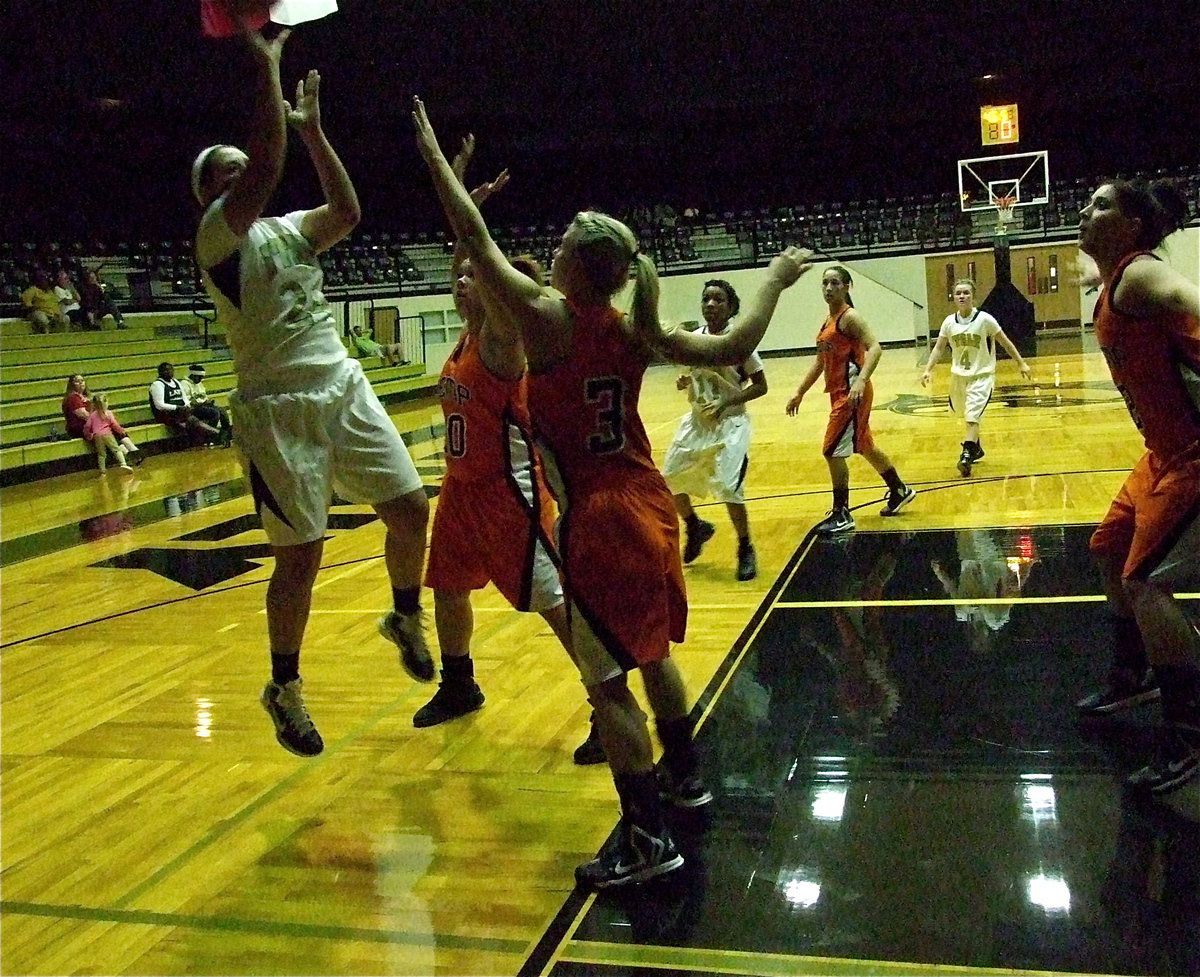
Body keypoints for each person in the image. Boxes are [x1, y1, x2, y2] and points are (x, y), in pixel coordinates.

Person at [414, 96, 812, 888]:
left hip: (598, 519)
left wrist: (432, 158)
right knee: (655, 650)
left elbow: (474, 237)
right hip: (649, 500)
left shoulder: (547, 320)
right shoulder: (634, 327)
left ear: (572, 265)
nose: (551, 241)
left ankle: (643, 837)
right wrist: (773, 277)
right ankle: (687, 772)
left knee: (606, 690)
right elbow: (737, 341)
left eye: (562, 238)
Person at [192, 25, 431, 758]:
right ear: (207, 194)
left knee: (412, 511)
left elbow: (349, 212)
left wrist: (317, 134)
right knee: (302, 557)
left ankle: (402, 614)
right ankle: (285, 685)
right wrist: (267, 66)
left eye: (242, 170)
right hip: (276, 411)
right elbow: (266, 162)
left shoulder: (290, 228)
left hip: (341, 387)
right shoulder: (216, 240)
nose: (242, 177)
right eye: (225, 173)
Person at [414, 136, 604, 763]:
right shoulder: (465, 336)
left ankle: (608, 702)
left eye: (473, 278)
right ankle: (460, 684)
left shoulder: (502, 341)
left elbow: (486, 272)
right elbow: (464, 268)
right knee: (446, 587)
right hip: (461, 491)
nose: (462, 282)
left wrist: (471, 223)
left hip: (511, 496)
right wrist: (462, 203)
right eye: (460, 277)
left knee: (554, 606)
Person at [1074, 178, 1200, 795]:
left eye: (1101, 205)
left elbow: (1190, 297)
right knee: (1107, 547)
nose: (1083, 210)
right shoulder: (1111, 280)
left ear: (1131, 227)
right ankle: (1135, 676)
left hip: (1194, 455)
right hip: (1161, 454)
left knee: (1145, 584)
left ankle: (1188, 732)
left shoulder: (1141, 276)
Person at [785, 265, 917, 535]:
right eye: (825, 283)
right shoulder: (828, 322)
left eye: (835, 283)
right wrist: (799, 391)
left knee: (831, 450)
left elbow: (876, 347)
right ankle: (899, 489)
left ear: (847, 287)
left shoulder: (849, 317)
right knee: (865, 445)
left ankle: (842, 513)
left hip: (852, 393)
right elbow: (820, 362)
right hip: (839, 392)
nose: (829, 288)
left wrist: (861, 379)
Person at [661, 279, 767, 581]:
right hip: (698, 422)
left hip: (731, 423)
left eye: (718, 300)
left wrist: (730, 399)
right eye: (706, 299)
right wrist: (686, 382)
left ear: (731, 307)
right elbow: (693, 375)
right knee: (671, 480)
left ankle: (745, 547)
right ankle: (695, 526)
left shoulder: (739, 341)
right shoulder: (693, 338)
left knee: (730, 488)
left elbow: (761, 386)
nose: (710, 304)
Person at [921, 278, 1031, 476]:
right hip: (958, 377)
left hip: (982, 375)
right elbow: (938, 348)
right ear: (953, 297)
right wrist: (928, 369)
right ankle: (977, 447)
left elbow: (1005, 342)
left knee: (973, 417)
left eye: (966, 293)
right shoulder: (948, 322)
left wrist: (1021, 363)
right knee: (966, 415)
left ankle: (967, 453)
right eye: (958, 293)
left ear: (973, 296)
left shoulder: (985, 320)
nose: (962, 296)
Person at [149, 362, 222, 445]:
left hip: (180, 411)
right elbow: (159, 405)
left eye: (170, 370)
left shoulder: (176, 382)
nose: (168, 372)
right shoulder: (157, 385)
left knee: (212, 412)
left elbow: (185, 399)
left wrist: (187, 406)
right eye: (165, 370)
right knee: (191, 421)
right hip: (165, 414)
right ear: (160, 372)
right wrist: (177, 407)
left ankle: (211, 436)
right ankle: (217, 434)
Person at [180, 363, 234, 447]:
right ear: (193, 375)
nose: (201, 379)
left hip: (203, 406)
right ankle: (209, 437)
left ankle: (225, 436)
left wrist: (208, 401)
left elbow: (203, 396)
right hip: (193, 408)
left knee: (223, 412)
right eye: (200, 377)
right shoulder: (184, 384)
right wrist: (202, 403)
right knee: (214, 413)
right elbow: (186, 401)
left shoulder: (199, 384)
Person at [83, 393, 135, 473]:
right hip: (107, 434)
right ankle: (123, 463)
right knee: (116, 450)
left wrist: (88, 434)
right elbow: (114, 425)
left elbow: (87, 426)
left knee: (101, 454)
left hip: (97, 436)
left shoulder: (92, 415)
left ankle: (102, 470)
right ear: (105, 403)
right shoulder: (108, 413)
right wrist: (121, 431)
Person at [22, 269, 69, 334]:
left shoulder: (50, 292)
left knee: (65, 318)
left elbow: (55, 305)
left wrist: (57, 314)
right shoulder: (32, 290)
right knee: (42, 318)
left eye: (47, 279)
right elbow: (27, 306)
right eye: (44, 279)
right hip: (38, 312)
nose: (46, 281)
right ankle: (46, 336)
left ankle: (62, 337)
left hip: (51, 314)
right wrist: (40, 308)